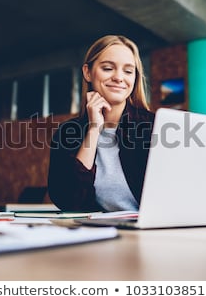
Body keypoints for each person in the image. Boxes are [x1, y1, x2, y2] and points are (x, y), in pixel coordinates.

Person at [48, 35, 155, 212]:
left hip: (153, 233)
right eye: (107, 68)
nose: (119, 77)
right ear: (87, 72)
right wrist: (94, 129)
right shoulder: (68, 132)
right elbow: (69, 201)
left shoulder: (154, 126)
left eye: (128, 71)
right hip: (98, 232)